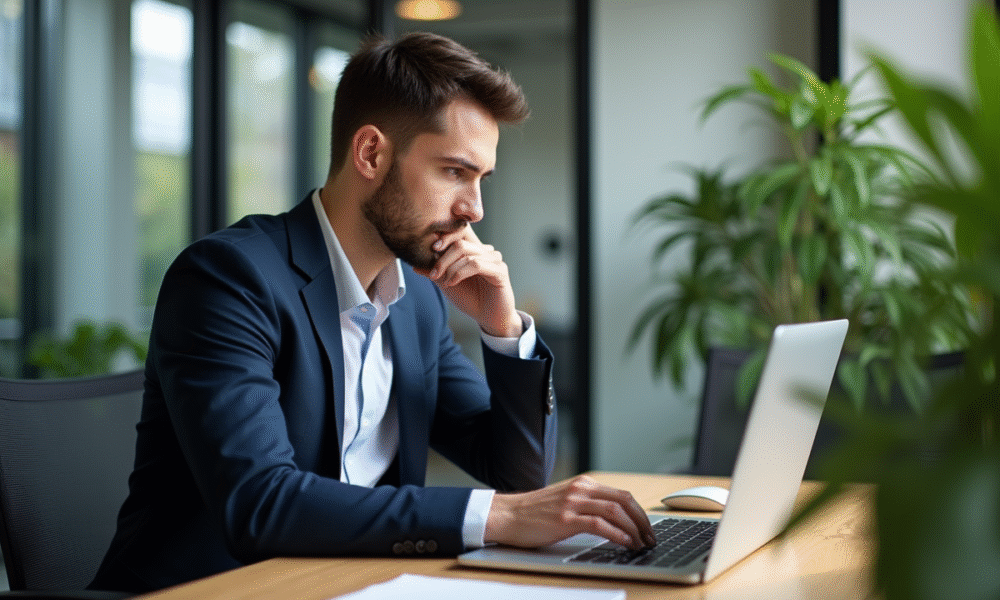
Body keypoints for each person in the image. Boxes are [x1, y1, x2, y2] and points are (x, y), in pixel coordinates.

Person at [89, 31, 653, 593]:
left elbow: (518, 476)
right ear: (371, 154)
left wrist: (502, 329)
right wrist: (495, 516)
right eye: (455, 172)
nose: (474, 209)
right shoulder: (228, 279)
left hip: (352, 585)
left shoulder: (417, 301)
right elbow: (260, 503)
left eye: (481, 179)